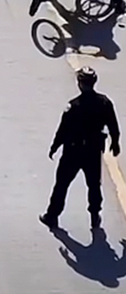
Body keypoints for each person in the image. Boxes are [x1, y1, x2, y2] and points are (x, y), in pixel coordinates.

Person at [42, 66, 121, 229]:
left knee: (62, 184)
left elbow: (63, 130)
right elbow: (113, 125)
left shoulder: (74, 106)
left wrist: (54, 146)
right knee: (94, 185)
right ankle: (94, 215)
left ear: (79, 83)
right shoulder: (104, 103)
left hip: (73, 151)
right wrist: (115, 143)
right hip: (92, 151)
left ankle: (52, 216)